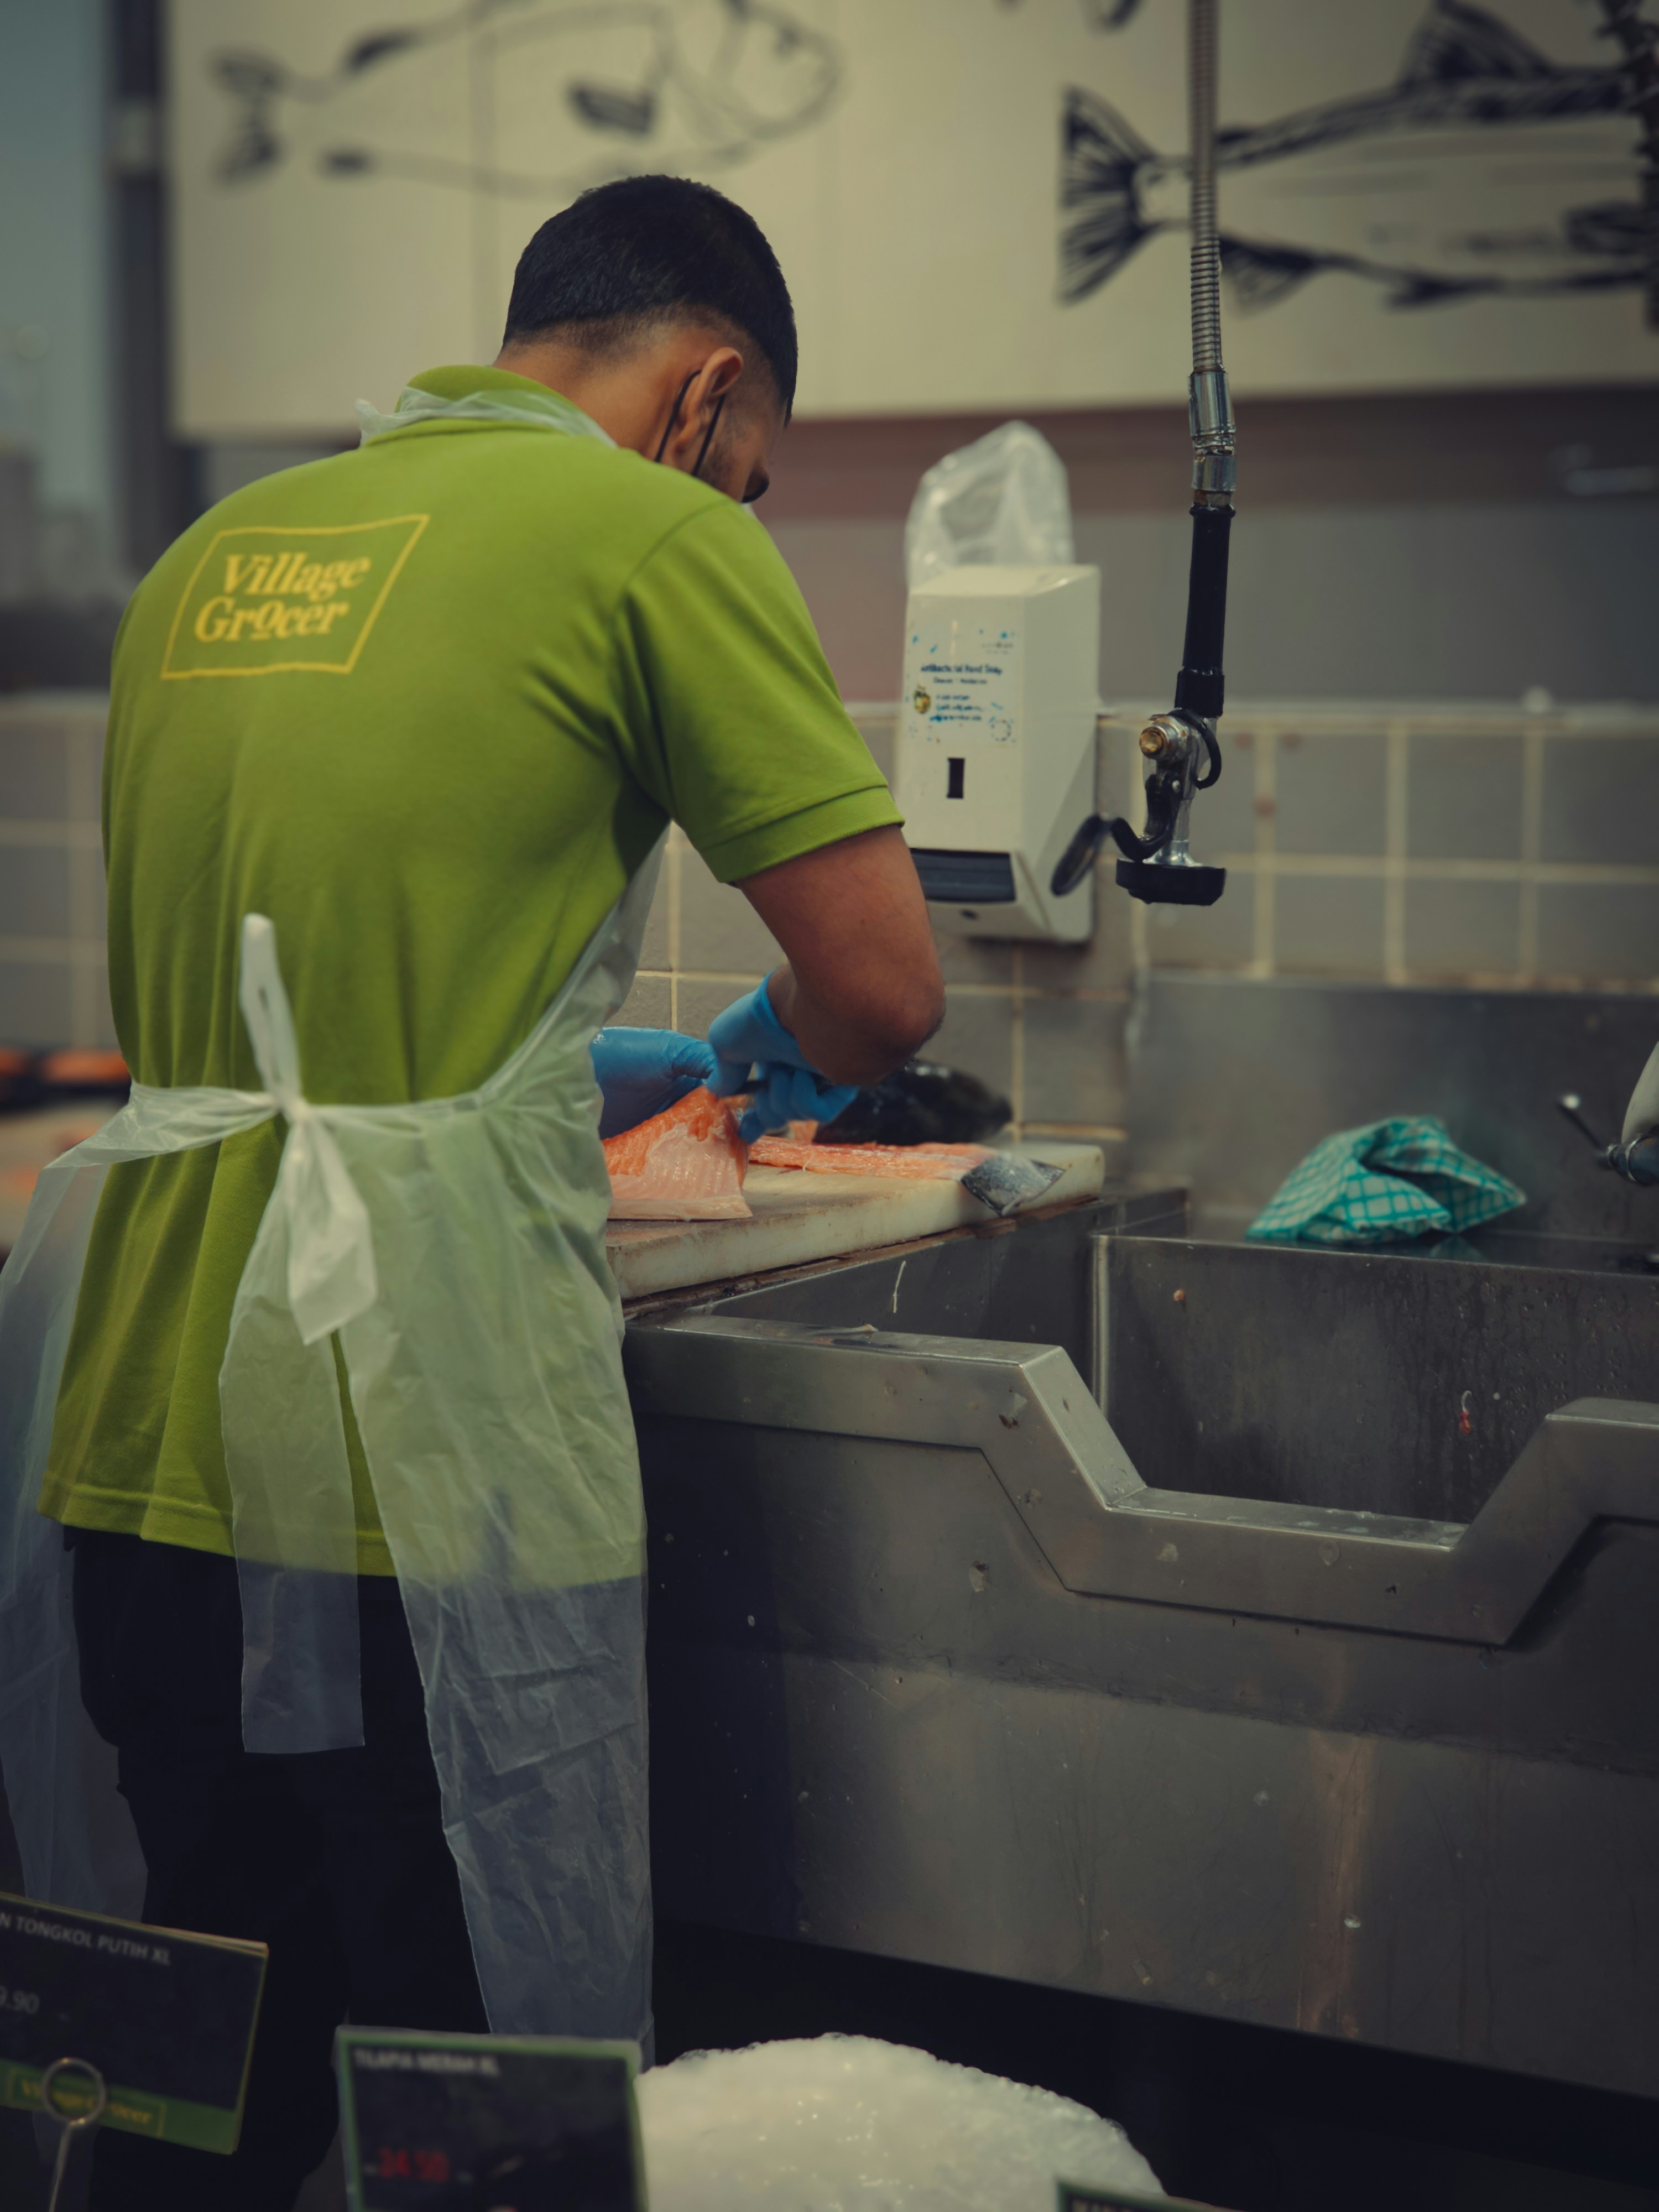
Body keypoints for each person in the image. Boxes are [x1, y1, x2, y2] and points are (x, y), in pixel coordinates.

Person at [0, 175, 942, 2210]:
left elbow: (290, 980)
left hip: (140, 1433)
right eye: (756, 472)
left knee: (176, 2089)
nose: (744, 507)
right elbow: (883, 993)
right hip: (415, 1465)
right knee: (461, 2114)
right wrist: (760, 1057)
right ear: (709, 401)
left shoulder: (208, 557)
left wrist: (502, 1059)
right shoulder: (656, 534)